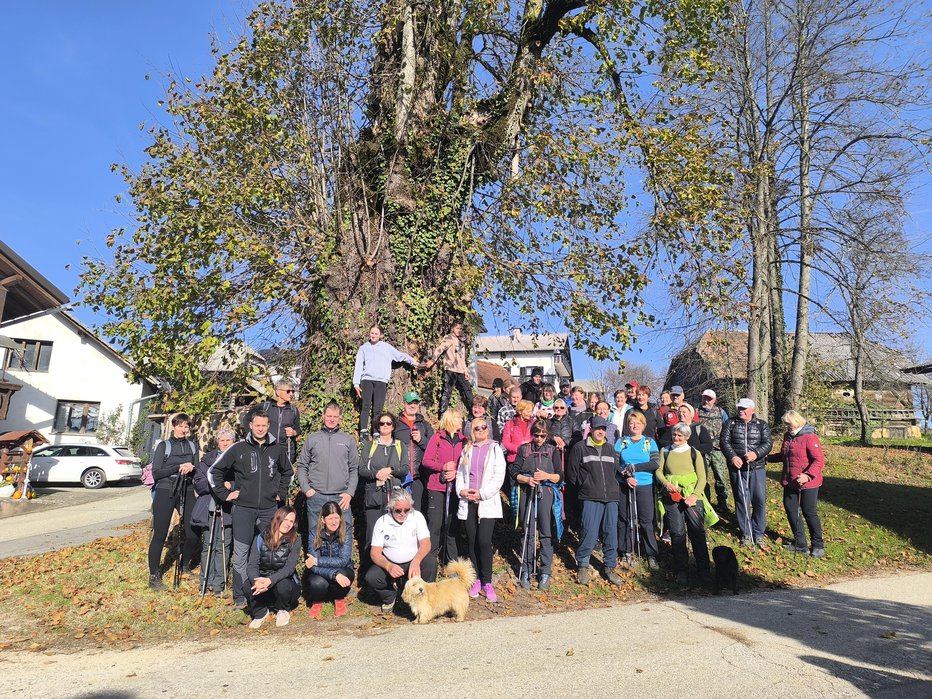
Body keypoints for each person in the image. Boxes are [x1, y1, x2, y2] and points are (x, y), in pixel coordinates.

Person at [210, 410, 294, 606]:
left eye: (264, 425)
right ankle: (240, 597)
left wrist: (280, 493)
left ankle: (268, 596)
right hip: (243, 509)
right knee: (241, 553)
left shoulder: (277, 449)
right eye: (257, 425)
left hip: (268, 509)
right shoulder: (238, 448)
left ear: (268, 426)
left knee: (269, 552)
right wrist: (225, 494)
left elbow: (288, 472)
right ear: (250, 425)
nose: (261, 429)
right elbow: (215, 472)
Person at [456, 417, 507, 601]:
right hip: (468, 500)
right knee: (471, 541)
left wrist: (482, 494)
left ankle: (487, 581)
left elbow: (498, 476)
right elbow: (461, 474)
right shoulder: (467, 449)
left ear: (488, 429)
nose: (481, 430)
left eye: (484, 427)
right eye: (476, 428)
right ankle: (476, 578)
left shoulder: (495, 449)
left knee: (484, 541)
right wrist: (461, 490)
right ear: (472, 431)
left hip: (486, 501)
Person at [567, 416, 622, 586]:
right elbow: (572, 475)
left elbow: (614, 471)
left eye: (603, 429)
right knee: (589, 532)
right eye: (597, 428)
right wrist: (586, 486)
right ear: (591, 429)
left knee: (611, 533)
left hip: (611, 497)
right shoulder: (580, 448)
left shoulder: (610, 449)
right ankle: (583, 564)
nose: (600, 431)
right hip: (590, 496)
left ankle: (610, 567)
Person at [148, 413, 199, 590]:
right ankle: (154, 575)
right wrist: (178, 467)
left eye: (187, 427)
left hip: (188, 489)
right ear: (174, 427)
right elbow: (156, 473)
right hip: (165, 490)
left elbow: (198, 470)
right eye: (180, 426)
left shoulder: (193, 446)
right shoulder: (164, 446)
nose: (184, 430)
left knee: (193, 532)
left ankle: (184, 565)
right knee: (160, 534)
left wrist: (192, 467)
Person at [509, 420, 562, 591]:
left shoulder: (552, 450)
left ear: (547, 436)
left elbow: (560, 477)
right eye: (536, 435)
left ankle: (545, 571)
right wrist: (526, 479)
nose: (539, 439)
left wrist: (547, 475)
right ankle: (526, 569)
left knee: (546, 532)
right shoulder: (524, 449)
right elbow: (514, 472)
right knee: (528, 531)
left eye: (542, 436)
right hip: (527, 491)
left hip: (545, 493)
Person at [657, 423, 712, 586]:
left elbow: (702, 477)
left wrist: (694, 496)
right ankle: (681, 570)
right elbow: (659, 471)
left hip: (692, 498)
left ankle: (704, 570)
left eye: (680, 436)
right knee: (677, 533)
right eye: (675, 435)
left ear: (687, 437)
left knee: (697, 533)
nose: (677, 438)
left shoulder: (694, 452)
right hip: (672, 497)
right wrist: (666, 484)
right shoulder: (665, 451)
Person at [365, 488, 434, 613]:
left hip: (413, 560)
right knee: (372, 577)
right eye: (398, 510)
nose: (403, 513)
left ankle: (425, 600)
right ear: (391, 508)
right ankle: (389, 597)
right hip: (391, 562)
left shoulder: (417, 516)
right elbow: (374, 553)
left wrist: (417, 560)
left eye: (407, 510)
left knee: (430, 563)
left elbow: (426, 543)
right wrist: (388, 565)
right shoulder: (382, 522)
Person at [296, 401, 359, 535]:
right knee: (315, 533)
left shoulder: (348, 440)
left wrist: (349, 493)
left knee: (344, 533)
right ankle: (315, 557)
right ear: (323, 416)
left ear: (340, 418)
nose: (332, 419)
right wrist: (307, 490)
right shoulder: (312, 439)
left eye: (335, 417)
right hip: (316, 496)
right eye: (329, 416)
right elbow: (302, 466)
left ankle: (342, 557)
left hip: (341, 497)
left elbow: (354, 469)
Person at [358, 412, 408, 572]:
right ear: (377, 426)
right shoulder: (370, 445)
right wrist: (376, 474)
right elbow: (362, 469)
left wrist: (391, 470)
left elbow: (405, 469)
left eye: (388, 423)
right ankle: (369, 573)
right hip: (374, 494)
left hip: (393, 495)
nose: (385, 426)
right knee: (372, 533)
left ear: (393, 426)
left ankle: (392, 571)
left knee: (393, 532)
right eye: (381, 423)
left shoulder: (400, 446)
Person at [720, 397, 773, 547]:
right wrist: (732, 456)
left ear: (752, 410)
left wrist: (756, 453)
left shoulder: (762, 425)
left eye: (744, 408)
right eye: (739, 408)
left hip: (757, 468)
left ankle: (758, 533)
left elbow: (768, 443)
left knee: (759, 500)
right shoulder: (730, 423)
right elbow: (724, 442)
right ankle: (746, 533)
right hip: (737, 469)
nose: (740, 411)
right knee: (742, 500)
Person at [352, 324, 419, 437]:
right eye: (372, 333)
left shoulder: (386, 347)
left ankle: (376, 432)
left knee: (378, 409)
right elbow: (358, 365)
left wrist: (413, 361)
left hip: (381, 381)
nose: (374, 335)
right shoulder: (364, 348)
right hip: (367, 380)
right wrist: (356, 383)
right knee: (366, 406)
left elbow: (399, 356)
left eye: (376, 333)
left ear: (380, 335)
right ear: (369, 333)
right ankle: (363, 432)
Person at [775, 410, 825, 557]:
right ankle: (800, 543)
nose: (787, 427)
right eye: (785, 424)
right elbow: (784, 455)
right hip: (790, 481)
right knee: (791, 511)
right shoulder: (788, 437)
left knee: (809, 512)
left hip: (808, 484)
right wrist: (767, 459)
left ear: (796, 422)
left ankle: (817, 544)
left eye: (788, 424)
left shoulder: (810, 437)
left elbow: (819, 460)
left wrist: (807, 475)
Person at [192, 427, 235, 595]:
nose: (225, 443)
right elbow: (199, 482)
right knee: (207, 545)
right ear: (217, 442)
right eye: (222, 440)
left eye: (228, 440)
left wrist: (230, 486)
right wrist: (217, 485)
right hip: (209, 507)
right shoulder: (207, 459)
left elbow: (242, 481)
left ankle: (218, 584)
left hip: (228, 509)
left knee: (223, 545)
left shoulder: (238, 458)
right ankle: (205, 581)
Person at [421, 409, 465, 572]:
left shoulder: (464, 440)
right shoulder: (437, 438)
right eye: (459, 418)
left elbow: (466, 463)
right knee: (435, 525)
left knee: (452, 526)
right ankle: (429, 564)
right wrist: (443, 467)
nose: (462, 421)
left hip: (455, 489)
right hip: (437, 488)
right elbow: (426, 461)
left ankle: (451, 565)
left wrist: (456, 472)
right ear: (451, 420)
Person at [615, 411, 660, 570]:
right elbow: (615, 462)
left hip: (645, 484)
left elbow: (655, 463)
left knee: (646, 521)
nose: (634, 426)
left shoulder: (649, 442)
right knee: (625, 518)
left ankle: (652, 554)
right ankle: (625, 551)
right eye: (631, 423)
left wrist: (636, 467)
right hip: (625, 484)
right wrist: (626, 476)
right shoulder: (622, 441)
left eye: (637, 423)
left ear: (643, 425)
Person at [245, 506, 301, 628]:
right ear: (278, 518)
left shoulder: (295, 540)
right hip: (263, 581)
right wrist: (256, 581)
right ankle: (261, 613)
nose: (288, 524)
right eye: (285, 519)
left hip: (286, 584)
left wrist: (270, 581)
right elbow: (252, 564)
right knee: (246, 585)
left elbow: (289, 568)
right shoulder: (260, 538)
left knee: (283, 585)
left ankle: (282, 610)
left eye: (291, 521)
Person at [305, 501, 355, 619]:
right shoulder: (314, 532)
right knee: (317, 583)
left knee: (343, 575)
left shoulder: (346, 530)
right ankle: (317, 601)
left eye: (336, 518)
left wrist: (317, 561)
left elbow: (343, 560)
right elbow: (311, 564)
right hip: (320, 573)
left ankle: (339, 599)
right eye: (330, 518)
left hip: (343, 569)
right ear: (323, 519)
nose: (334, 522)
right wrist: (334, 574)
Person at [393, 391, 434, 512]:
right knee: (398, 511)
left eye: (415, 403)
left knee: (416, 512)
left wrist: (421, 440)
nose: (413, 405)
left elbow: (433, 449)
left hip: (419, 476)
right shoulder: (395, 424)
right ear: (404, 404)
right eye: (410, 403)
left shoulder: (425, 425)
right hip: (399, 476)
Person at [243, 380, 301, 462]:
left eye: (292, 391)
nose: (291, 394)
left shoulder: (293, 410)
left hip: (285, 452)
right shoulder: (265, 407)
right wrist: (251, 436)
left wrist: (294, 432)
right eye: (288, 391)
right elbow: (246, 419)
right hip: (266, 449)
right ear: (278, 392)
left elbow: (298, 429)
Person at [424, 322, 473, 416]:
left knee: (468, 391)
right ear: (452, 328)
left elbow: (462, 357)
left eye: (460, 329)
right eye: (457, 328)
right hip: (451, 369)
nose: (459, 330)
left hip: (461, 370)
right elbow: (440, 349)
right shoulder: (449, 338)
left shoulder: (461, 341)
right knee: (447, 392)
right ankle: (442, 415)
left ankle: (473, 412)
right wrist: (432, 360)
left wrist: (466, 370)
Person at [697, 389, 730, 511]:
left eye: (709, 399)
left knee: (720, 477)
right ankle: (706, 502)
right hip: (702, 451)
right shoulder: (696, 412)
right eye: (705, 398)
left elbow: (727, 429)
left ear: (714, 400)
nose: (706, 401)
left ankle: (723, 502)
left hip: (717, 450)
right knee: (702, 477)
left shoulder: (721, 412)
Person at [502, 400, 535, 471]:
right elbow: (506, 442)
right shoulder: (510, 424)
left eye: (531, 411)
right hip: (514, 460)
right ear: (520, 411)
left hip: (530, 459)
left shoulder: (533, 423)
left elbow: (535, 438)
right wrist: (519, 449)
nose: (530, 414)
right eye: (528, 411)